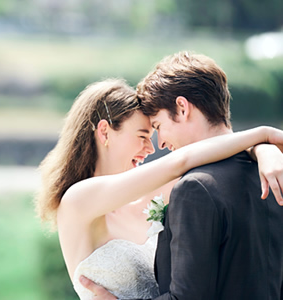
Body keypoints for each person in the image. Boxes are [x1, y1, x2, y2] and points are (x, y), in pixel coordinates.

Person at [35, 76, 283, 299]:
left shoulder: (147, 200)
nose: (151, 148)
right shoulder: (78, 200)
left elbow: (213, 155)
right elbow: (182, 160)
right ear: (105, 131)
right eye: (143, 136)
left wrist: (262, 149)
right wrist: (264, 134)